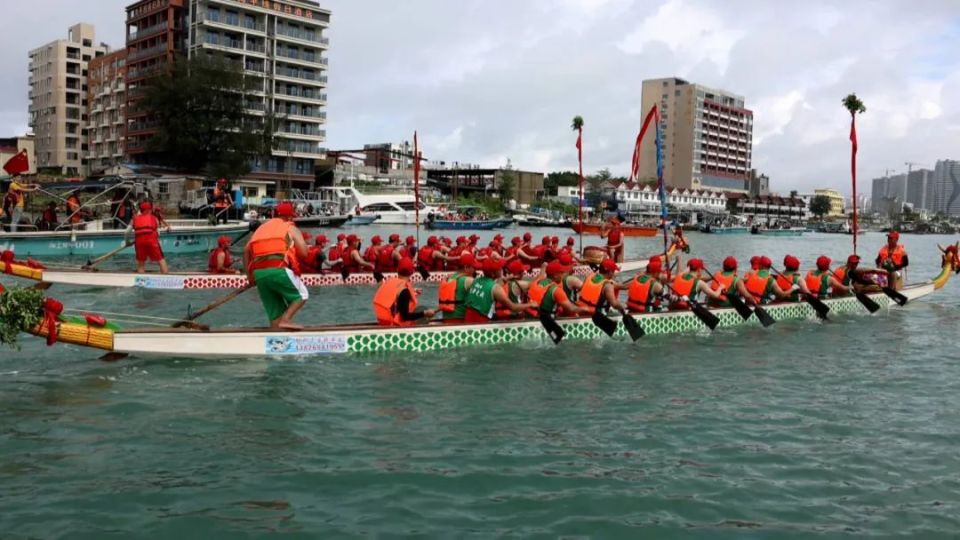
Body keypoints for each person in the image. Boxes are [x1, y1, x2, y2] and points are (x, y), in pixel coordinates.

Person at [243, 201, 309, 329]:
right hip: (278, 269)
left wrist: (250, 277)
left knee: (275, 314)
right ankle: (286, 320)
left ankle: (276, 337)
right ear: (290, 217)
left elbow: (246, 251)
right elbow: (304, 253)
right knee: (302, 295)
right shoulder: (289, 227)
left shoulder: (261, 228)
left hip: (259, 274)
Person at [464, 258, 537, 322]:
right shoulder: (496, 288)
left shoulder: (475, 280)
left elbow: (490, 285)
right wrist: (530, 304)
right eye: (500, 268)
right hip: (481, 322)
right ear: (493, 273)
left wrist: (505, 279)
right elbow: (513, 307)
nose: (502, 269)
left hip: (467, 319)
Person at [372, 257, 437, 326]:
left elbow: (394, 296)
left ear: (397, 270)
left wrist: (413, 292)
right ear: (412, 272)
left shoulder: (389, 282)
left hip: (383, 323)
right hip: (395, 326)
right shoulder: (404, 291)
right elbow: (405, 317)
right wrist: (425, 313)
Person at [131, 201, 171, 274]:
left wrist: (128, 242)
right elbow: (157, 229)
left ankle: (141, 281)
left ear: (141, 210)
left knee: (141, 263)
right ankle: (165, 277)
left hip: (139, 242)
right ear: (150, 209)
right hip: (152, 240)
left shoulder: (134, 218)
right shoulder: (154, 218)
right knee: (161, 260)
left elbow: (127, 231)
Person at [438, 253, 477, 323]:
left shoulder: (449, 278)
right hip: (460, 321)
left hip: (446, 319)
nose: (475, 270)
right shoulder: (468, 280)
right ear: (466, 267)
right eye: (474, 268)